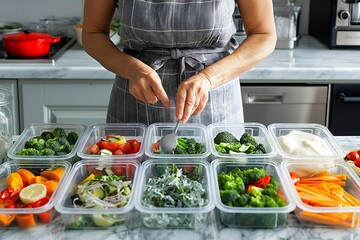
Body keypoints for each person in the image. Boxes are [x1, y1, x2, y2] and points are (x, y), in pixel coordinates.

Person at [82, 0, 276, 125]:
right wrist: (132, 69)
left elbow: (263, 35)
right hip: (135, 103)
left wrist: (208, 78)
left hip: (216, 99)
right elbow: (92, 33)